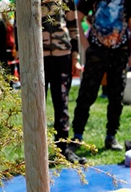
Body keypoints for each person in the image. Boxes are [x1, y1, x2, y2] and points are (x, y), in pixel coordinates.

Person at [71, 0, 131, 153]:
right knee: (87, 94)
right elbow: (77, 18)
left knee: (116, 95)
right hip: (96, 52)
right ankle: (77, 136)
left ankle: (111, 136)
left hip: (120, 52)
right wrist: (86, 46)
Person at [41, 0, 86, 164]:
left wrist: (76, 56)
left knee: (61, 102)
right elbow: (20, 24)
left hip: (63, 55)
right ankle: (38, 150)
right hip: (38, 56)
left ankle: (62, 148)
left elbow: (73, 24)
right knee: (38, 103)